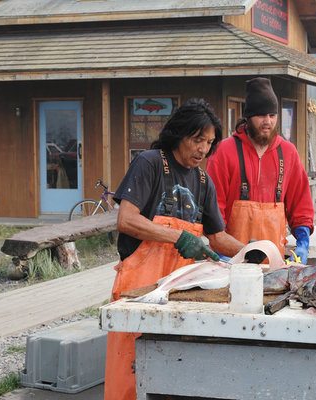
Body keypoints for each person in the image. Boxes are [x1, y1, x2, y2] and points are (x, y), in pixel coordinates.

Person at [104, 98, 244, 400]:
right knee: (130, 373)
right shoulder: (150, 163)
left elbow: (217, 236)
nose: (203, 149)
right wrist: (178, 237)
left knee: (175, 375)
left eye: (209, 142)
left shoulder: (203, 181)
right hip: (137, 292)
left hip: (180, 295)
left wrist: (254, 253)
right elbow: (126, 220)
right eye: (197, 140)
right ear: (179, 133)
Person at [207, 77, 314, 263]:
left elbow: (301, 204)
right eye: (261, 116)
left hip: (275, 262)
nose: (267, 121)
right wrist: (221, 249)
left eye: (272, 116)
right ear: (248, 117)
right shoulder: (224, 151)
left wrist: (303, 241)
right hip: (232, 260)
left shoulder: (289, 152)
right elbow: (214, 207)